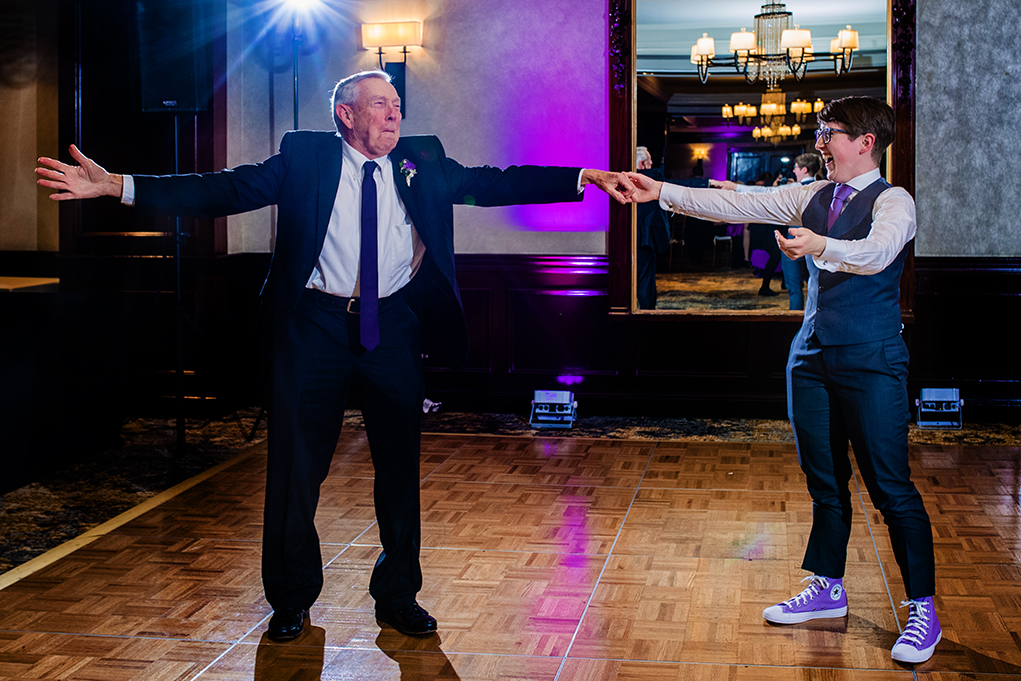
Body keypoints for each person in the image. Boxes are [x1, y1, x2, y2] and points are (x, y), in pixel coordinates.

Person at [36, 70, 634, 642]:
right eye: (380, 103)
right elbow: (222, 189)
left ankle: (399, 594)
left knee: (399, 468)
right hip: (313, 327)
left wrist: (581, 175)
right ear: (346, 116)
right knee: (297, 470)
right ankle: (291, 599)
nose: (395, 111)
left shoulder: (421, 160)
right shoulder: (304, 159)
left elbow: (499, 181)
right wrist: (119, 185)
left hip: (393, 325)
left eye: (397, 103)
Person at [628, 96, 940, 665]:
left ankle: (922, 608)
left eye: (829, 132)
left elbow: (876, 253)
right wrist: (662, 192)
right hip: (811, 358)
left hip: (872, 359)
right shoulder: (812, 195)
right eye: (821, 132)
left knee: (891, 488)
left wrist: (821, 246)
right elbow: (745, 201)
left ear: (864, 142)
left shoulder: (894, 200)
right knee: (825, 481)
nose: (820, 142)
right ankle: (827, 585)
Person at [712, 153, 823, 309]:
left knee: (794, 289)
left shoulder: (795, 188)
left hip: (793, 240)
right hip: (814, 241)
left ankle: (794, 321)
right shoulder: (825, 187)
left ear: (804, 169)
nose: (794, 171)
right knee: (815, 286)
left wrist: (735, 187)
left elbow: (764, 192)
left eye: (796, 168)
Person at [634, 146, 709, 308]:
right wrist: (708, 184)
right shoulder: (652, 177)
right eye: (649, 160)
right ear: (642, 164)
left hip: (629, 235)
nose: (653, 163)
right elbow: (678, 186)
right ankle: (647, 314)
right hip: (645, 235)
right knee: (645, 278)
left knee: (636, 278)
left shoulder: (624, 179)